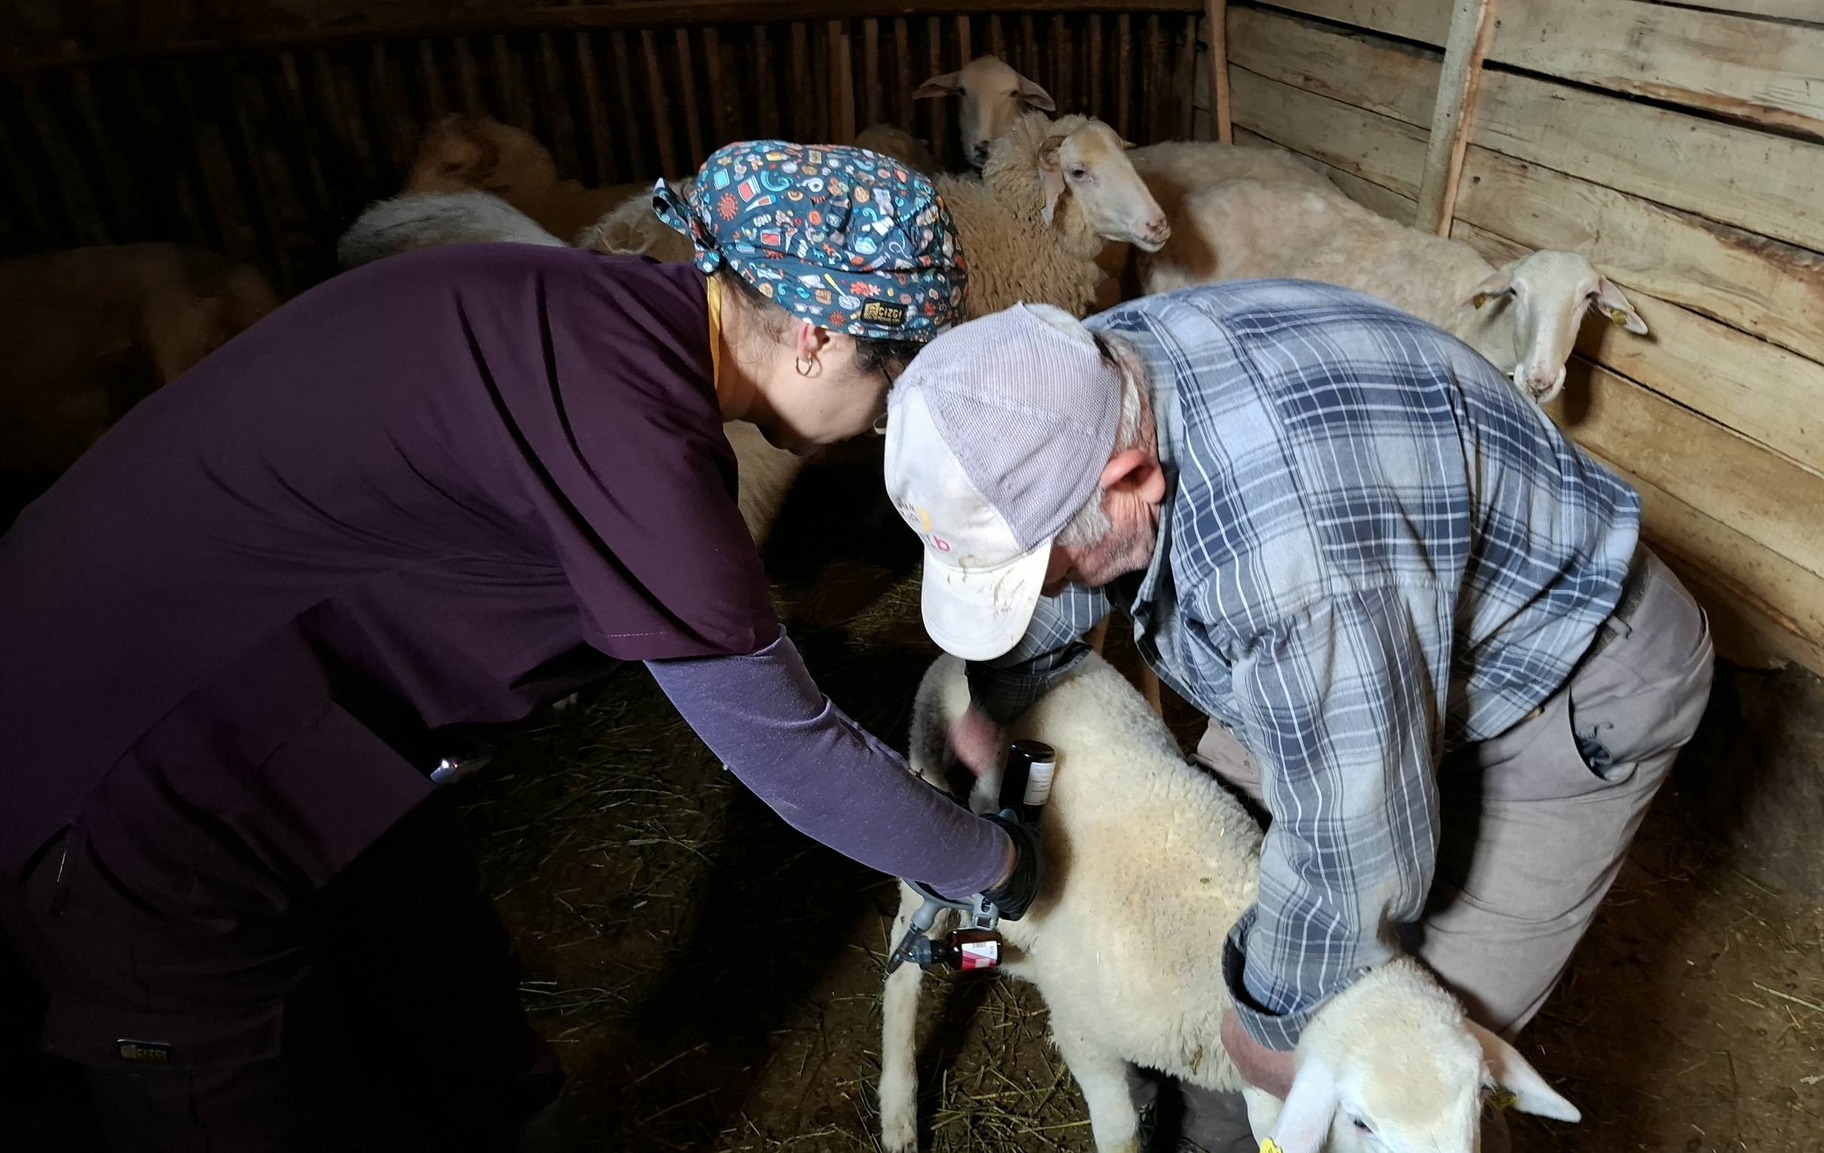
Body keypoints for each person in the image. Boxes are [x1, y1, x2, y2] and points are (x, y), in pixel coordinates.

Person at [0, 141, 1037, 1153]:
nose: (885, 410)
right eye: (891, 364)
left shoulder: (597, 314)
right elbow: (789, 749)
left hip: (318, 708)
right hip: (126, 746)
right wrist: (993, 863)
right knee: (229, 1087)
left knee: (439, 972)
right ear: (812, 335)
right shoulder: (628, 427)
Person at [880, 284, 1716, 1151]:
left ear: (1131, 477)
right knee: (1236, 978)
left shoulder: (1292, 564)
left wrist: (1270, 1017)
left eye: (1044, 572)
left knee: (1407, 1054)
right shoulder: (1069, 382)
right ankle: (1227, 1130)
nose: (1050, 588)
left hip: (1557, 678)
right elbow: (1076, 551)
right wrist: (1001, 686)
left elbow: (1356, 834)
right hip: (1356, 634)